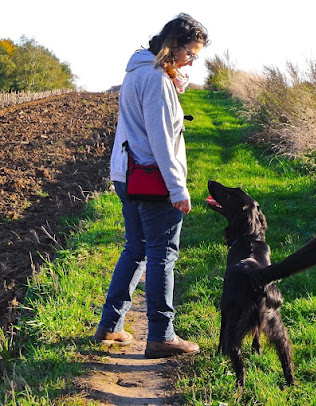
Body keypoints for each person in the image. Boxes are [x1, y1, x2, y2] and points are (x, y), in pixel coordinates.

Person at [93, 13, 209, 358]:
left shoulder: (138, 71)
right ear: (173, 45)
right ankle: (162, 335)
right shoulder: (156, 80)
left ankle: (110, 326)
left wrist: (174, 83)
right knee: (163, 256)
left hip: (126, 176)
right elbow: (160, 139)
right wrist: (178, 188)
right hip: (152, 180)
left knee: (136, 249)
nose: (192, 60)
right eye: (190, 52)